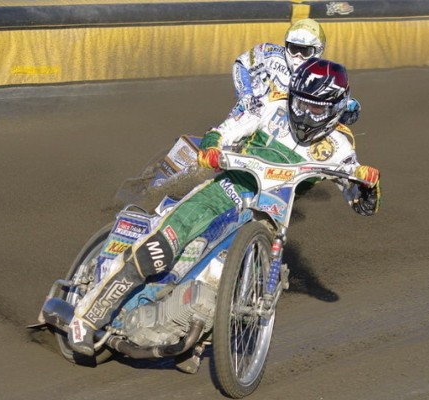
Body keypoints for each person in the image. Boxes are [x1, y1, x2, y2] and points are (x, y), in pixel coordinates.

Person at [68, 58, 381, 356]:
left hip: (268, 217)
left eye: (314, 107)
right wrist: (212, 145)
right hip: (224, 191)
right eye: (300, 102)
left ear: (335, 108)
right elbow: (230, 127)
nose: (304, 112)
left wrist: (367, 187)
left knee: (223, 283)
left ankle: (193, 331)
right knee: (159, 249)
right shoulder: (272, 107)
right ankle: (87, 318)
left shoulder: (340, 146)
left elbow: (358, 198)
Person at [232, 18, 360, 125]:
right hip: (249, 117)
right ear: (286, 44)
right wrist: (246, 95)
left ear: (319, 50)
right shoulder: (268, 52)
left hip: (285, 130)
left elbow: (345, 113)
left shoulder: (327, 75)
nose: (298, 56)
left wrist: (347, 110)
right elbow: (241, 63)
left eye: (305, 51)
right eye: (294, 49)